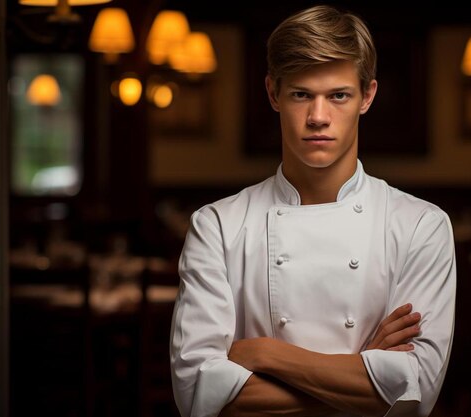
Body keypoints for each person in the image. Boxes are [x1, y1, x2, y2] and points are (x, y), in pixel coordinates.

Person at [170, 4, 456, 417]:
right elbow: (198, 395)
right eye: (301, 94)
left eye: (338, 95)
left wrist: (266, 355)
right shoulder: (216, 226)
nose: (318, 117)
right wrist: (364, 371)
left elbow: (416, 394)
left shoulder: (421, 227)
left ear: (367, 96)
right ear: (273, 94)